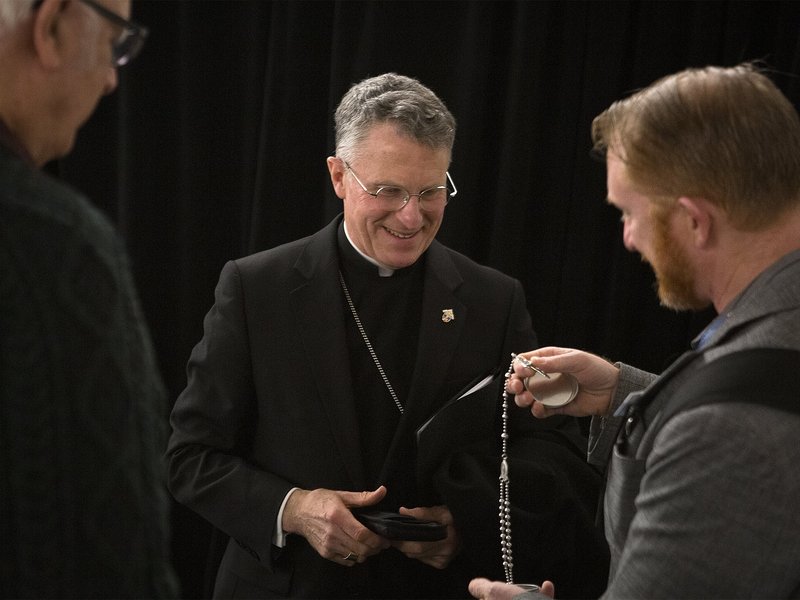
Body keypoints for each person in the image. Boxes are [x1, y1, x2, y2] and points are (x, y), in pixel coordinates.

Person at [166, 72, 609, 599]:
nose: (411, 216)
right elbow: (191, 456)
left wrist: (466, 520)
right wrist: (294, 509)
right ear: (337, 176)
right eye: (387, 191)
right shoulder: (256, 288)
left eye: (430, 191)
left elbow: (546, 449)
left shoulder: (494, 299)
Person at [469, 63, 800, 600]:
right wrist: (621, 395)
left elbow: (735, 427)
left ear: (695, 221)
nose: (627, 239)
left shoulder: (726, 431)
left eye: (629, 213)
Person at [0, 0, 178, 597]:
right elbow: (116, 569)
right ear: (49, 28)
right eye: (115, 42)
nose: (110, 77)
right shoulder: (52, 247)